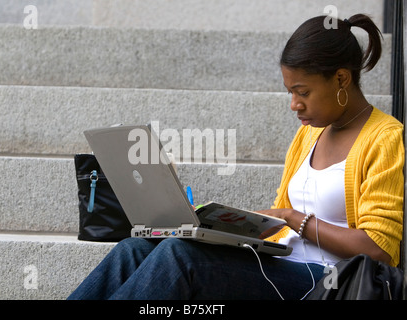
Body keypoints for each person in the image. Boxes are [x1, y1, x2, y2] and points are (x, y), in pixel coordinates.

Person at [67, 14, 404, 300]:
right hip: (283, 265)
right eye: (290, 92)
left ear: (341, 79)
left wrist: (293, 218)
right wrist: (230, 224)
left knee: (182, 258)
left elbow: (378, 249)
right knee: (135, 249)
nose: (294, 105)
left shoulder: (384, 138)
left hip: (330, 282)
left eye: (303, 92)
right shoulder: (310, 134)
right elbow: (280, 227)